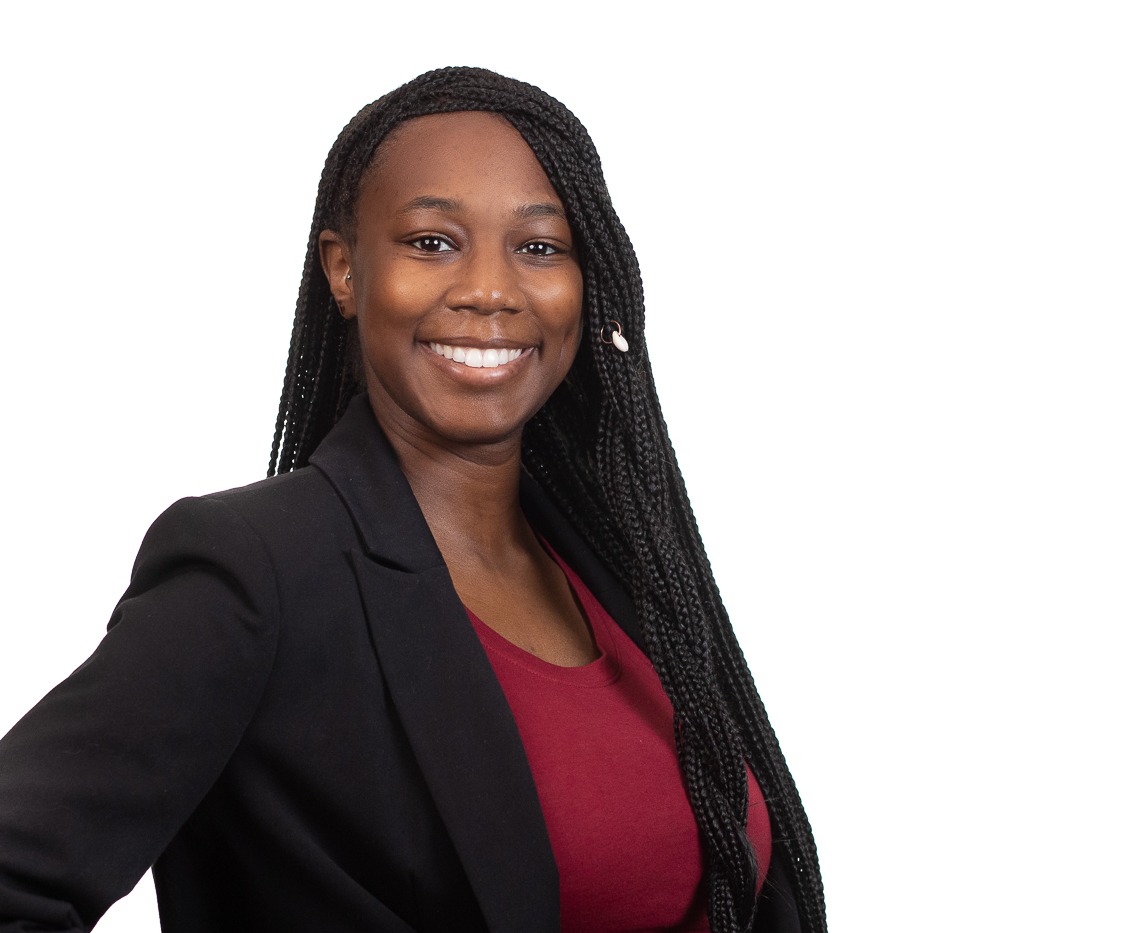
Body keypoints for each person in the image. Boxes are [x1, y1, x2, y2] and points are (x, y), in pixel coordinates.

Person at [0, 67, 825, 932]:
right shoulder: (256, 572)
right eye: (433, 241)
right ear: (345, 270)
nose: (490, 289)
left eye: (539, 247)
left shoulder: (620, 564)